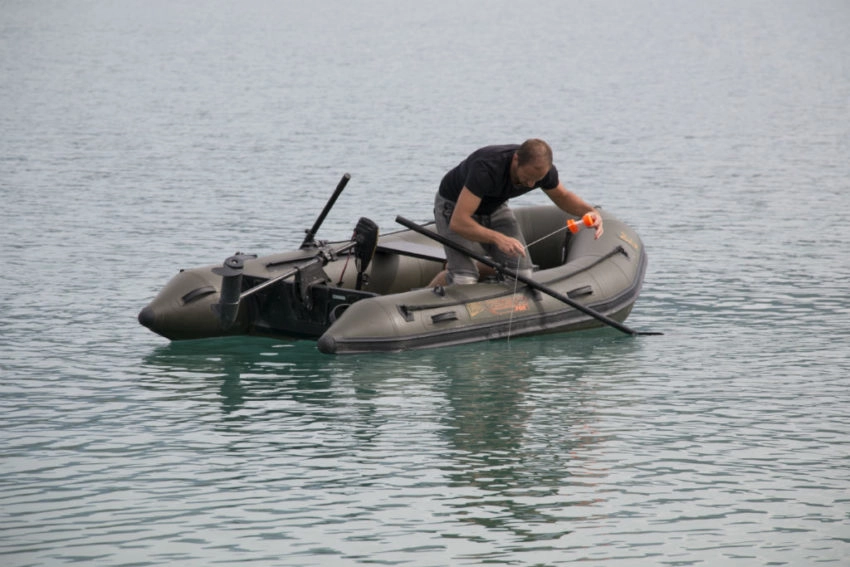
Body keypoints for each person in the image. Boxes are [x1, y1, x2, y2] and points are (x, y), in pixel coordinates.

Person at [431, 139, 603, 286]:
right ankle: (447, 276)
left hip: (495, 207)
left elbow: (562, 197)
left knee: (522, 276)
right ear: (515, 160)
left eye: (537, 180)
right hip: (453, 207)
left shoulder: (544, 173)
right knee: (464, 278)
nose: (530, 184)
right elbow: (459, 222)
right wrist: (498, 238)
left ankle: (472, 264)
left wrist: (591, 212)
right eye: (527, 177)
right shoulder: (487, 167)